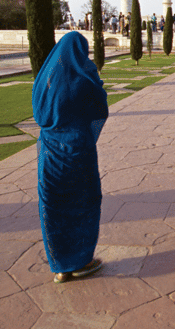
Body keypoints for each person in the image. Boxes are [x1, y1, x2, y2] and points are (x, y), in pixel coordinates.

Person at [32, 31, 109, 284]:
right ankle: (82, 260)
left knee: (53, 207)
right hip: (79, 151)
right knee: (84, 204)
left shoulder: (46, 78)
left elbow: (40, 114)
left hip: (50, 154)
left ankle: (60, 266)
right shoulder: (84, 78)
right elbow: (100, 106)